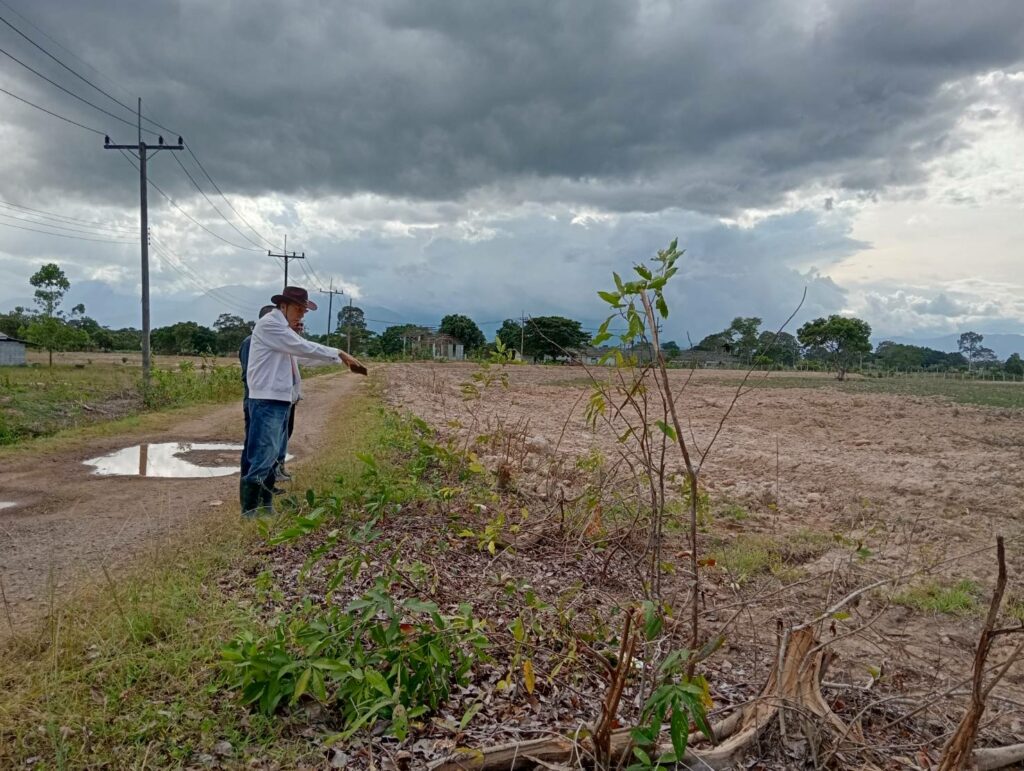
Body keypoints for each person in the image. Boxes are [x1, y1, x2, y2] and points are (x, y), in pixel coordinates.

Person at [240, 286, 366, 516]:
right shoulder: (270, 325)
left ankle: (265, 506)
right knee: (263, 454)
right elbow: (302, 347)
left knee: (271, 455)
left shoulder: (282, 330)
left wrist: (339, 362)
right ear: (284, 305)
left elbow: (302, 357)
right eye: (299, 309)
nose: (302, 314)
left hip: (279, 399)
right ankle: (250, 510)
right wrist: (338, 353)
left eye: (304, 310)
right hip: (266, 400)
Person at [239, 305, 276, 480]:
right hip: (255, 398)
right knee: (254, 443)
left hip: (266, 398)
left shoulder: (271, 340)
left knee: (268, 444)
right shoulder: (251, 341)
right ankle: (249, 481)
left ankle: (265, 482)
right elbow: (251, 373)